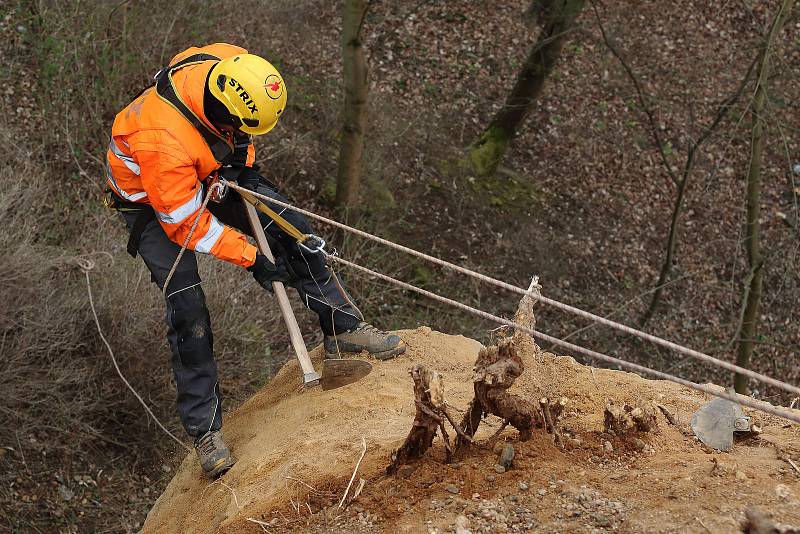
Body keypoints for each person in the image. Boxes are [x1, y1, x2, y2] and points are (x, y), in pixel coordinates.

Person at [104, 43, 405, 478]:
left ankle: (344, 329)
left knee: (293, 228)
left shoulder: (230, 65)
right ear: (223, 114)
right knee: (188, 309)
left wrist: (235, 167)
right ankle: (206, 433)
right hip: (151, 203)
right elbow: (186, 224)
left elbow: (242, 140)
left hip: (207, 168)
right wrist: (252, 260)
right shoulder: (162, 140)